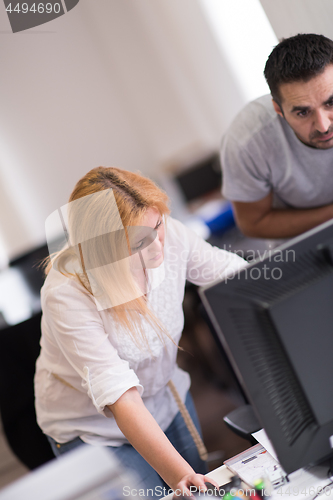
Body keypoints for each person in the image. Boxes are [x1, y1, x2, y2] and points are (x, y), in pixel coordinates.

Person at [34, 166, 246, 496]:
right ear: (102, 249)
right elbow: (122, 399)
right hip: (94, 430)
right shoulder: (66, 294)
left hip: (164, 396)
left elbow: (233, 276)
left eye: (158, 225)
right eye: (138, 243)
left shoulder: (165, 232)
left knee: (203, 486)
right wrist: (180, 476)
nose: (159, 246)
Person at [221, 33, 333, 240]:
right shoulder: (248, 140)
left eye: (331, 103)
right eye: (303, 112)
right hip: (308, 250)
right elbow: (253, 222)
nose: (323, 126)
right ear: (278, 109)